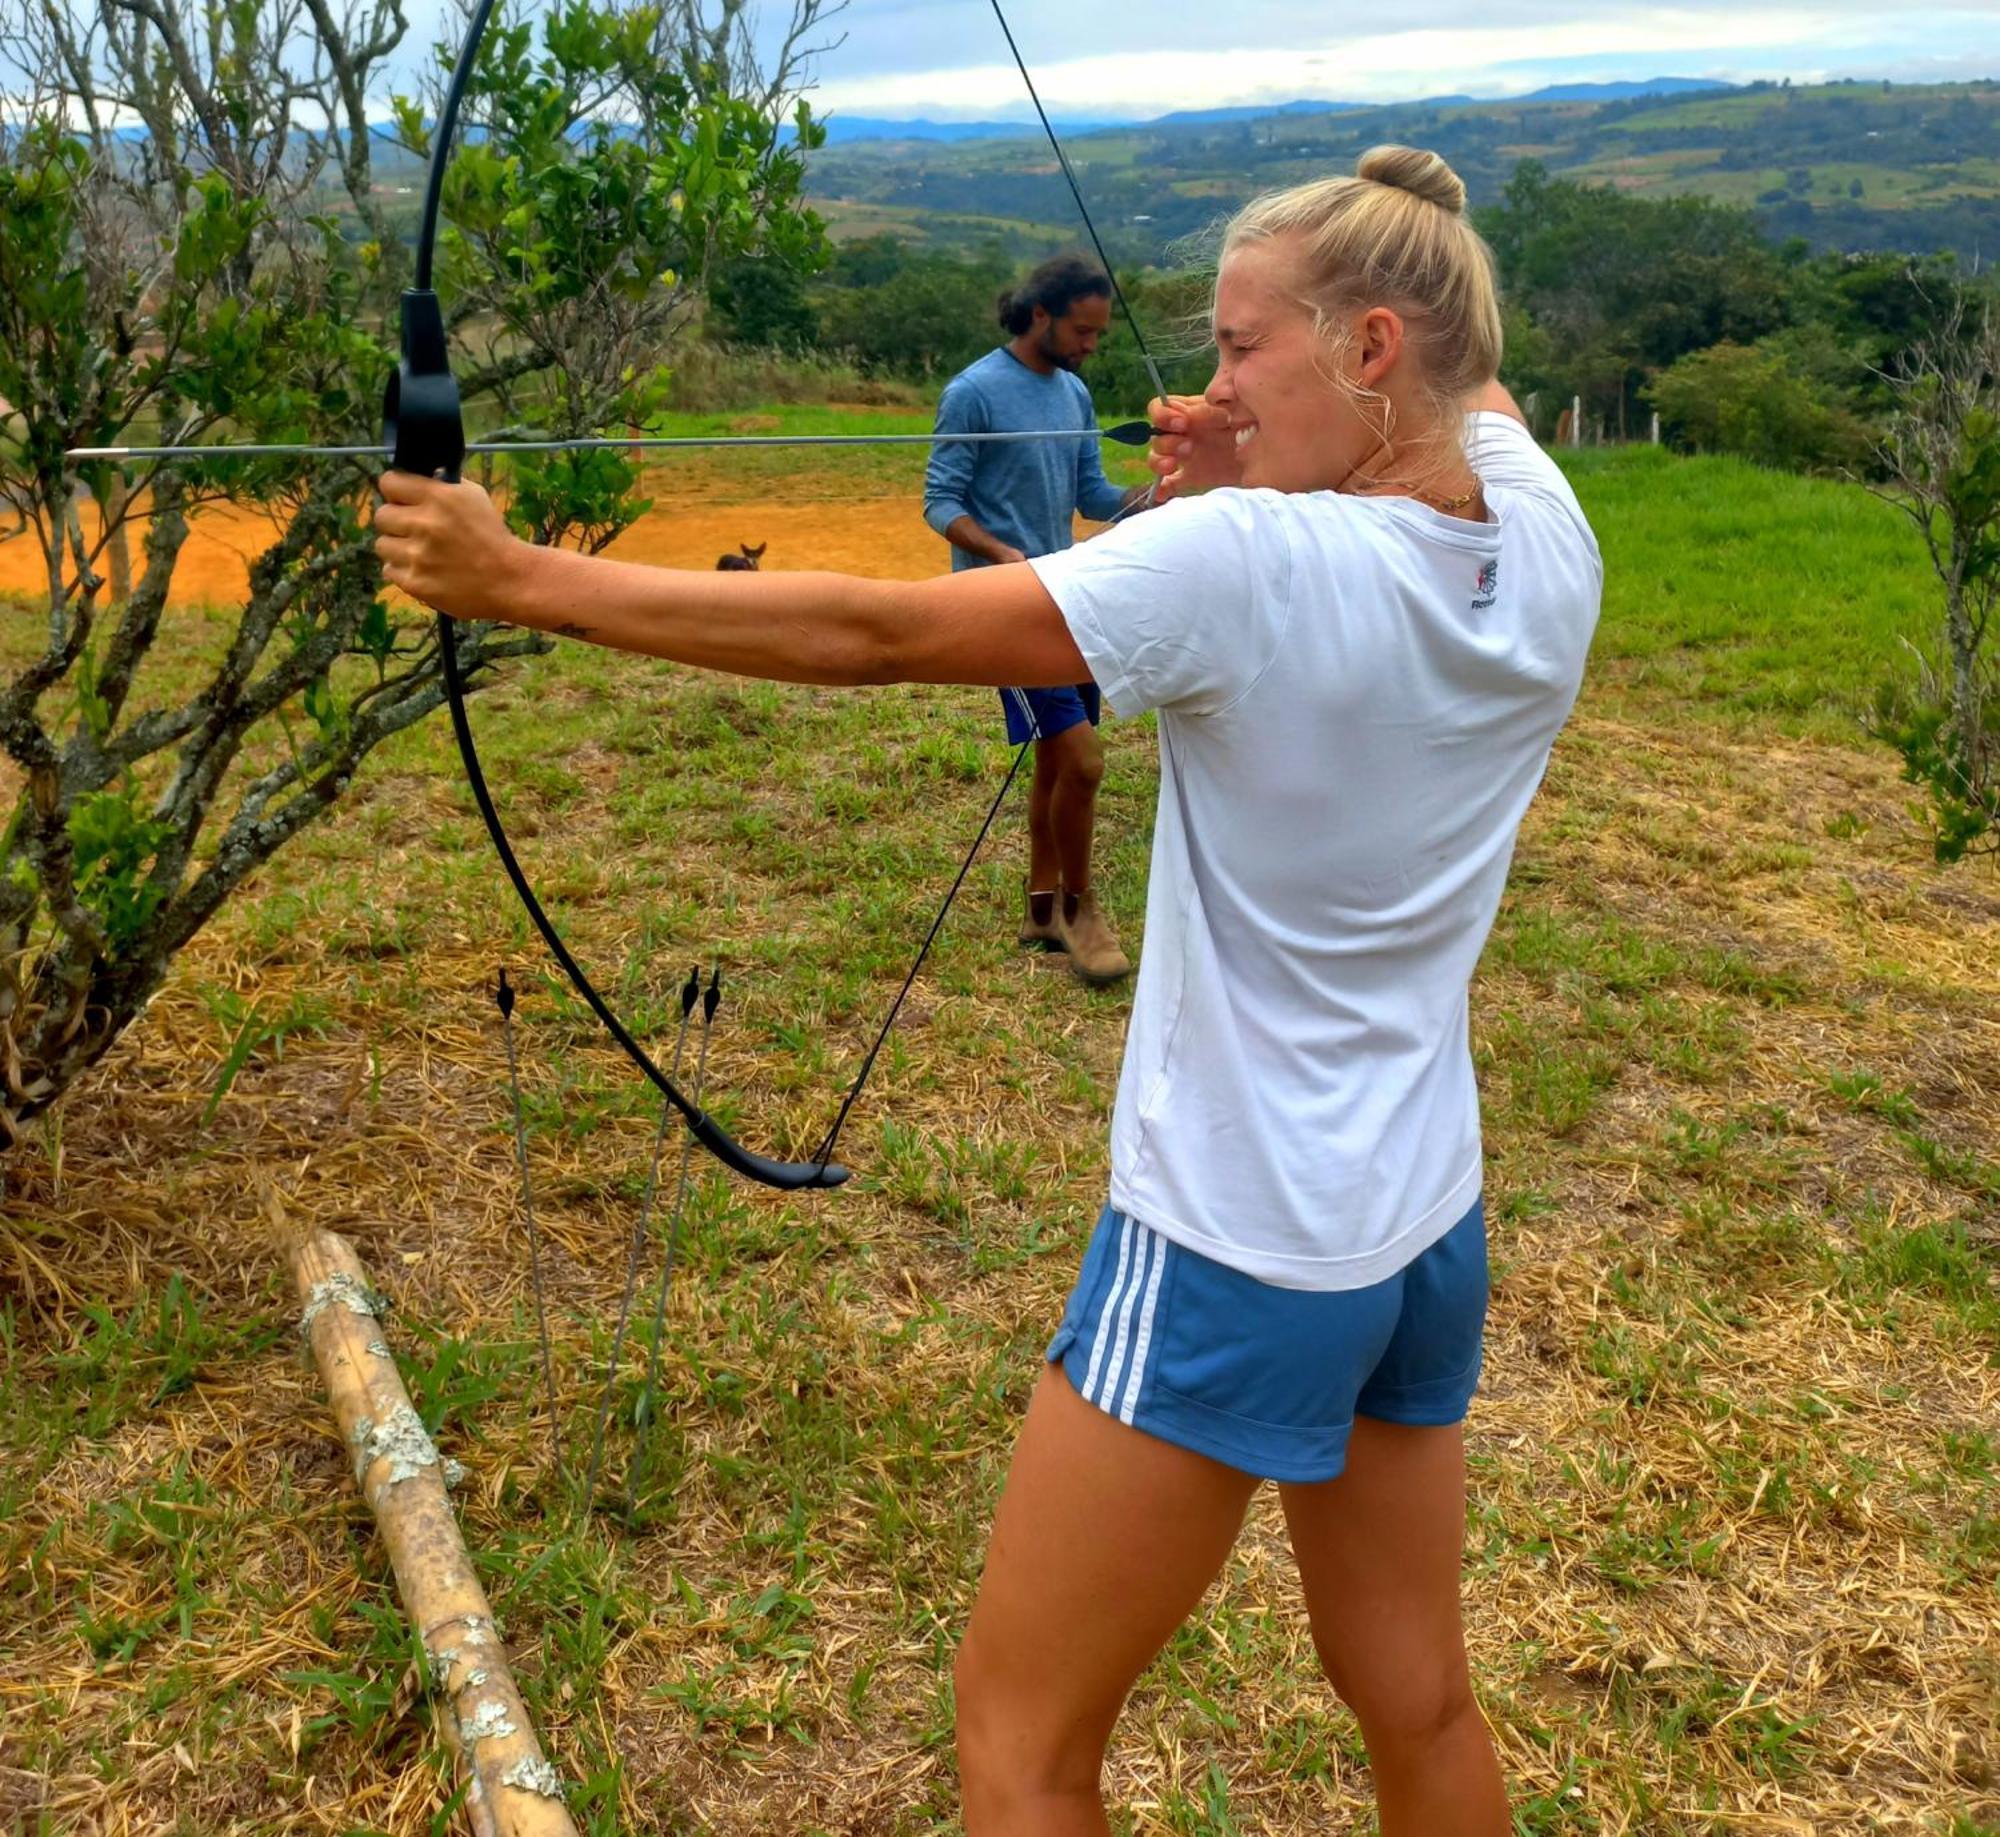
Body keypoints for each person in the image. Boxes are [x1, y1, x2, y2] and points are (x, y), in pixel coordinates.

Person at [376, 143, 1603, 1837]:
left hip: (1236, 1238)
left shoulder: (1249, 566)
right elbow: (1484, 398)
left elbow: (874, 635)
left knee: (1019, 1741)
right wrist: (1274, 418)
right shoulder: (1548, 540)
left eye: (1241, 348)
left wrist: (519, 579)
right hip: (1419, 1230)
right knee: (1421, 1695)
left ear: (1371, 347)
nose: (1205, 380)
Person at [923, 254, 1152, 986]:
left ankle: (1041, 907)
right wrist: (1000, 553)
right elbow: (939, 503)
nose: (1090, 345)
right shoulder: (973, 392)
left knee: (1058, 760)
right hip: (1005, 609)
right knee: (1083, 759)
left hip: (1071, 597)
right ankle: (1082, 913)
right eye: (1083, 331)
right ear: (1041, 315)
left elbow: (1092, 494)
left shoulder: (1075, 395)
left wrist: (1157, 494)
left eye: (1098, 334)